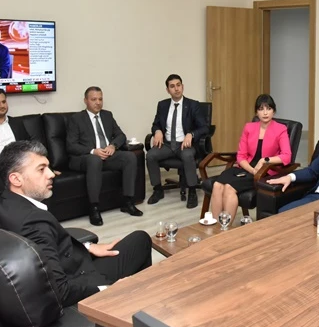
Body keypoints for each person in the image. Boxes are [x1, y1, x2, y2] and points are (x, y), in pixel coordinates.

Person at [0, 140, 152, 307]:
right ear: (16, 179)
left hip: (68, 262)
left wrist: (87, 247)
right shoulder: (34, 222)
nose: (51, 174)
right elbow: (59, 290)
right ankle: (141, 305)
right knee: (141, 240)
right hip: (80, 281)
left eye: (48, 167)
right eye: (41, 169)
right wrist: (108, 289)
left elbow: (46, 246)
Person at [66, 86, 142, 226]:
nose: (98, 102)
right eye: (94, 99)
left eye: (100, 99)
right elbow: (71, 145)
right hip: (85, 158)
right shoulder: (76, 119)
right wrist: (93, 151)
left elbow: (121, 135)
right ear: (85, 101)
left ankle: (128, 202)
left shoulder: (107, 115)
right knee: (95, 160)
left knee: (130, 157)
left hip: (106, 156)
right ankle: (94, 208)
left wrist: (113, 146)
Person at [211, 94, 291, 224]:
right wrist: (251, 170)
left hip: (264, 171)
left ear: (274, 111)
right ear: (256, 112)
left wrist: (264, 160)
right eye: (261, 109)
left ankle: (225, 229)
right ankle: (216, 227)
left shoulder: (280, 129)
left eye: (269, 108)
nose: (265, 113)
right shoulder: (249, 127)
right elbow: (241, 156)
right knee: (217, 185)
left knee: (229, 188)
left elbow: (286, 156)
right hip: (246, 167)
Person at [146, 74, 209, 209]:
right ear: (168, 90)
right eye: (172, 86)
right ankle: (158, 189)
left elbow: (204, 127)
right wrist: (157, 131)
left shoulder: (193, 105)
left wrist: (191, 134)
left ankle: (192, 191)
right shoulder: (162, 105)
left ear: (182, 87)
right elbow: (155, 124)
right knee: (150, 155)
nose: (176, 89)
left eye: (178, 85)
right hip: (167, 144)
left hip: (184, 144)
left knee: (187, 155)